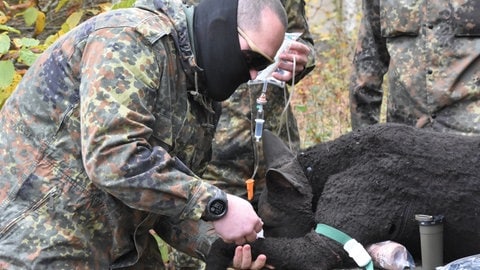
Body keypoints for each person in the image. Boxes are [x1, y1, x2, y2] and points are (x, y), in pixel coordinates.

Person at [0, 0, 288, 268]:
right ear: (220, 27)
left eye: (263, 66)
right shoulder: (131, 39)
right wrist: (217, 204)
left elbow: (166, 200)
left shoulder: (202, 97)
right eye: (252, 58)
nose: (253, 76)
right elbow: (112, 158)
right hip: (35, 239)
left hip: (117, 245)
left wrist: (228, 248)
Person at [158, 0, 315, 268]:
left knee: (274, 257)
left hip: (274, 160)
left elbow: (303, 41)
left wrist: (302, 60)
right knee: (210, 255)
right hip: (208, 161)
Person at [349, 0, 480, 135]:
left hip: (470, 141)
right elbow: (365, 73)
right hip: (404, 143)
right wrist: (365, 143)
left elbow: (365, 73)